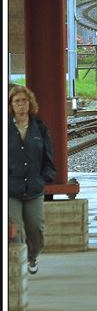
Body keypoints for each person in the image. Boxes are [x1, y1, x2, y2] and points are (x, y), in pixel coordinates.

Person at [8, 85, 56, 275]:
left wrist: (45, 178)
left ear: (30, 103)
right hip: (11, 188)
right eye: (16, 102)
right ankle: (19, 261)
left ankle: (32, 255)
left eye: (24, 101)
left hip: (34, 187)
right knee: (15, 228)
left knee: (36, 228)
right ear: (11, 106)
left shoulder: (40, 128)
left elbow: (48, 156)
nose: (20, 105)